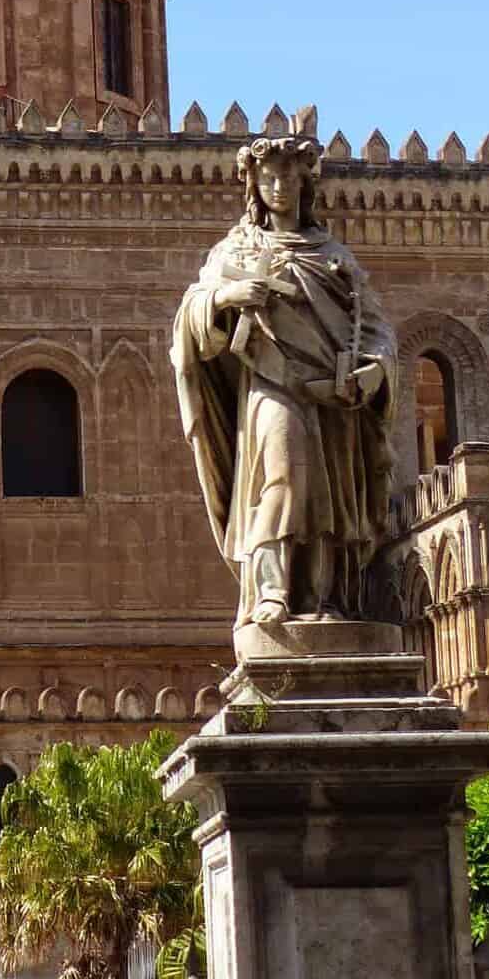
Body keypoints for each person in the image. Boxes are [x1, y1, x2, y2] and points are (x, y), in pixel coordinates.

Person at [172, 129, 396, 628]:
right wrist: (229, 298)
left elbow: (377, 328)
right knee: (283, 474)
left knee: (326, 492)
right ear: (254, 186)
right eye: (269, 178)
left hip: (333, 394)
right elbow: (191, 315)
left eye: (288, 179)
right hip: (272, 383)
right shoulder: (237, 251)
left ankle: (320, 599)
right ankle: (271, 592)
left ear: (304, 186)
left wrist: (375, 370)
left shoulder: (333, 255)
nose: (278, 188)